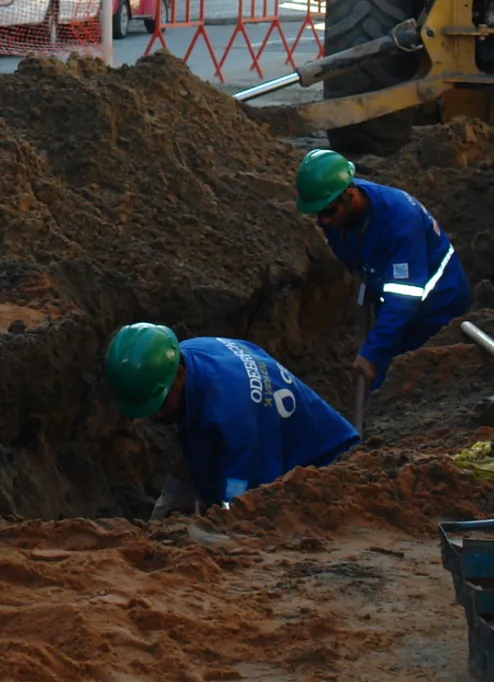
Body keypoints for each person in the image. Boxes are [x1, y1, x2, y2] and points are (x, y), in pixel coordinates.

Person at [103, 323, 358, 516]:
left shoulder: (233, 418)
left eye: (158, 404)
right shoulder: (187, 355)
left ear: (179, 376)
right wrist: (174, 494)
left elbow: (244, 503)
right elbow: (197, 430)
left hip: (330, 473)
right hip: (275, 435)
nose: (154, 415)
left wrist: (219, 520)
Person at [293, 149, 470, 389]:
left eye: (328, 212)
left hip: (437, 305)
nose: (324, 221)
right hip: (395, 294)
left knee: (399, 381)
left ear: (351, 194)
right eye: (318, 214)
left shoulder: (399, 222)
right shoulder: (337, 210)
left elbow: (403, 300)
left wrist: (372, 352)